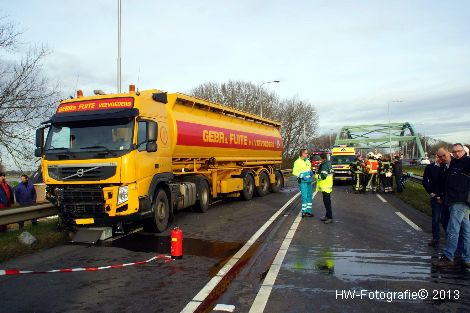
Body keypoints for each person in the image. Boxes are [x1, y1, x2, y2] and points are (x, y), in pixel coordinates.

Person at [433, 143, 470, 268]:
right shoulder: (455, 164)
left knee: (453, 229)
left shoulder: (466, 162)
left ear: (464, 151)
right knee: (465, 230)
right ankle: (467, 258)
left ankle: (448, 256)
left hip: (460, 200)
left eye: (459, 151)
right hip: (456, 200)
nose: (456, 153)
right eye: (454, 152)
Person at [423, 153, 445, 247]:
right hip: (435, 197)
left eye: (442, 156)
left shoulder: (447, 167)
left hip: (446, 197)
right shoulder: (430, 167)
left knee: (446, 219)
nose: (440, 159)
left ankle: (451, 239)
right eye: (439, 157)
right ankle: (435, 238)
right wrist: (430, 192)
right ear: (436, 157)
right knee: (436, 219)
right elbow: (425, 181)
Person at [293, 148, 314, 217]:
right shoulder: (297, 162)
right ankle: (304, 212)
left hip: (309, 181)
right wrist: (302, 176)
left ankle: (308, 211)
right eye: (306, 153)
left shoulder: (308, 161)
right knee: (304, 196)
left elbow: (309, 169)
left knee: (309, 196)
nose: (307, 154)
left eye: (307, 153)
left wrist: (311, 172)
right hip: (303, 182)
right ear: (302, 154)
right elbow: (295, 172)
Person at [316, 153, 334, 224]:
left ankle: (330, 217)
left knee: (327, 203)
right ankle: (327, 216)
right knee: (327, 202)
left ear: (322, 158)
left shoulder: (324, 165)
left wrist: (316, 176)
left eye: (320, 159)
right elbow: (332, 172)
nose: (319, 160)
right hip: (328, 185)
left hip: (325, 186)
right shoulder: (329, 163)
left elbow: (323, 176)